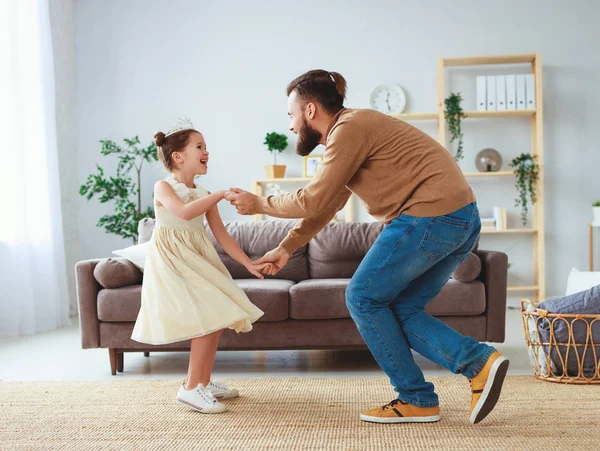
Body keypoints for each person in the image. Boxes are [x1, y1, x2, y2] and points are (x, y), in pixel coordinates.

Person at [225, 70, 509, 425]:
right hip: (457, 218)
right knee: (400, 307)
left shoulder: (348, 129)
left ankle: (428, 389)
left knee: (362, 297)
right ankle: (457, 377)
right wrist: (287, 247)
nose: (290, 125)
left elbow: (312, 199)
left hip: (428, 217)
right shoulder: (353, 131)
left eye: (291, 115)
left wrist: (260, 204)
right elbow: (328, 203)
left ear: (310, 110)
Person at [132, 117, 274, 414]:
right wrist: (219, 195)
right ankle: (190, 389)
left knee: (215, 317)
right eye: (200, 146)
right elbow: (183, 213)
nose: (206, 151)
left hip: (197, 259)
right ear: (178, 157)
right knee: (208, 317)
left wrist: (248, 263)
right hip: (173, 261)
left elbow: (222, 235)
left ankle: (202, 382)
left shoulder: (204, 193)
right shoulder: (163, 187)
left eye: (206, 147)